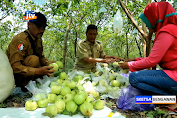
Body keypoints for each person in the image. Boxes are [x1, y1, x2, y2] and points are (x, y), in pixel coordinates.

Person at [119, 2, 177, 112]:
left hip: (174, 76)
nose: (150, 27)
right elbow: (155, 57)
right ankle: (166, 98)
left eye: (149, 22)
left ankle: (170, 99)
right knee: (139, 99)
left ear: (156, 17)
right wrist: (133, 60)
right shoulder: (172, 29)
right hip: (173, 75)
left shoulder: (167, 31)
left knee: (134, 78)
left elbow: (152, 61)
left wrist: (129, 65)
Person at [6, 12, 55, 91]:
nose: (42, 30)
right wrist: (38, 71)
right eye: (39, 27)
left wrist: (49, 64)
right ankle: (24, 85)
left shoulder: (38, 39)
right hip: (16, 76)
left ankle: (33, 83)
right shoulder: (20, 40)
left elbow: (41, 57)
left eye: (43, 27)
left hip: (29, 72)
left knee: (47, 68)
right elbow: (15, 67)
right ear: (29, 25)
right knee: (34, 60)